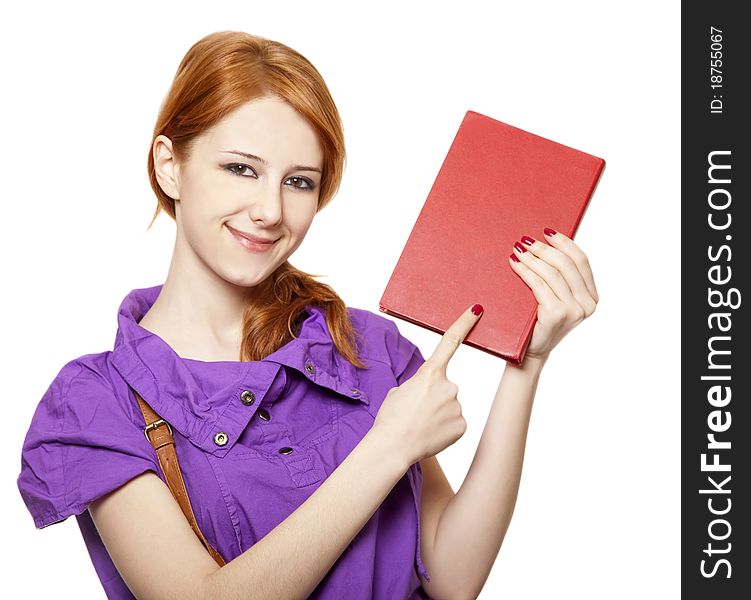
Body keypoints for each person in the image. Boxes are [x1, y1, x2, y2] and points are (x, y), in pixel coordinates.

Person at [16, 30, 599, 600]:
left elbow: (451, 577)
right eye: (241, 168)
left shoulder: (364, 349)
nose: (270, 211)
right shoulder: (97, 401)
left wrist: (528, 360)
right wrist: (387, 448)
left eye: (299, 182)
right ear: (170, 165)